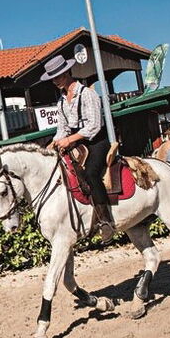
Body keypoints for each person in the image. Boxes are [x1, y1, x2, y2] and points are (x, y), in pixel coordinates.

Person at [41, 54, 115, 243]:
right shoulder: (61, 101)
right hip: (76, 143)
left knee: (91, 173)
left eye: (57, 76)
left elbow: (94, 125)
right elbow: (62, 129)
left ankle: (105, 221)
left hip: (96, 141)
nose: (55, 81)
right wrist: (52, 144)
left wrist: (69, 140)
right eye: (52, 78)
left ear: (66, 73)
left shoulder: (87, 94)